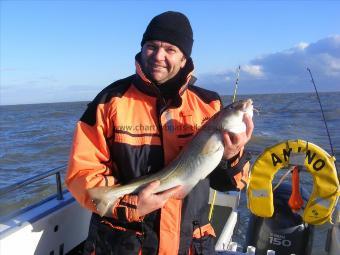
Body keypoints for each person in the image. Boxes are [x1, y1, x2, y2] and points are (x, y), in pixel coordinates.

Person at [66, 11, 254, 255]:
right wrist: (130, 205)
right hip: (124, 245)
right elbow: (82, 174)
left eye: (170, 49)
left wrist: (232, 155)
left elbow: (230, 184)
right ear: (142, 49)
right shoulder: (108, 102)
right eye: (151, 46)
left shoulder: (210, 105)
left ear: (185, 58)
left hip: (189, 245)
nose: (158, 56)